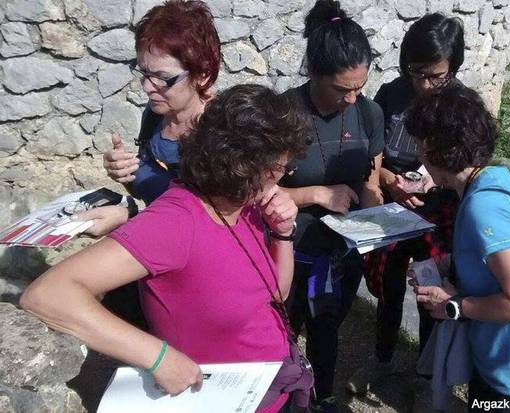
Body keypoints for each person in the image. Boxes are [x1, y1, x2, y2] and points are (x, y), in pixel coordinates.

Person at [21, 84, 311, 413]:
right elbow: (47, 295)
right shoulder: (177, 221)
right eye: (277, 170)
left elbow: (275, 294)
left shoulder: (246, 207)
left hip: (276, 388)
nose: (280, 181)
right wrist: (156, 356)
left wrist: (283, 234)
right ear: (242, 165)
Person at [408, 84, 510, 411]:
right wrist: (450, 264)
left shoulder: (482, 207)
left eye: (418, 143)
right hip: (506, 370)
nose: (418, 154)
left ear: (431, 147)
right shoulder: (497, 179)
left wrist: (452, 306)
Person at [346, 12, 464, 400]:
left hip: (439, 212)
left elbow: (467, 165)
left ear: (453, 68)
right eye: (416, 72)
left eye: (435, 76)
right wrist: (391, 183)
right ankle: (381, 359)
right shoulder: (391, 96)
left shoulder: (459, 105)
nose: (424, 84)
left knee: (431, 290)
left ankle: (426, 374)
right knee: (388, 285)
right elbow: (371, 158)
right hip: (393, 209)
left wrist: (434, 179)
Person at [278, 1, 384, 411]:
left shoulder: (369, 113)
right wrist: (317, 195)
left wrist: (379, 214)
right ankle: (284, 393)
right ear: (314, 72)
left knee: (328, 328)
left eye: (359, 86)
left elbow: (371, 178)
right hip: (291, 249)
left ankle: (321, 395)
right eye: (342, 89)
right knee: (285, 327)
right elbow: (252, 192)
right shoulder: (285, 114)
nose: (352, 98)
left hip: (344, 251)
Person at [84, 0, 221, 237]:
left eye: (162, 77)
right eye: (144, 73)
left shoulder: (223, 132)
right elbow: (148, 191)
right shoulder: (155, 116)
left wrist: (130, 216)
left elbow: (214, 226)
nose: (148, 87)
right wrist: (125, 174)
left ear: (203, 74)